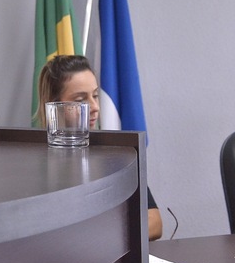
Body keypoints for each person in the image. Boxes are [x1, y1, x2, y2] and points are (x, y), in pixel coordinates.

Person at [36, 55, 163, 241]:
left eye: (95, 96)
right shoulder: (34, 163)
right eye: (81, 100)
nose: (94, 107)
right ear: (54, 105)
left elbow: (154, 223)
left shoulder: (117, 154)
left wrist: (101, 239)